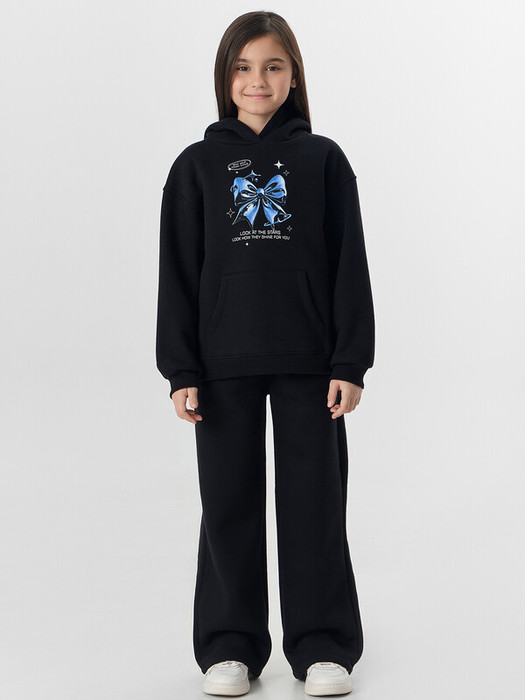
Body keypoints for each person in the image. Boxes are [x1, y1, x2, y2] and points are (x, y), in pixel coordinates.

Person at [155, 11, 375, 697]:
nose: (258, 80)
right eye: (244, 67)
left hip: (310, 360)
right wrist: (180, 369)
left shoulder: (323, 160)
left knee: (315, 505)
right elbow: (178, 272)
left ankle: (323, 647)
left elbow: (348, 263)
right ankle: (230, 647)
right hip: (221, 362)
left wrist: (349, 361)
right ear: (225, 78)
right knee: (228, 507)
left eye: (273, 66)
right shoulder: (194, 166)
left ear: (293, 76)